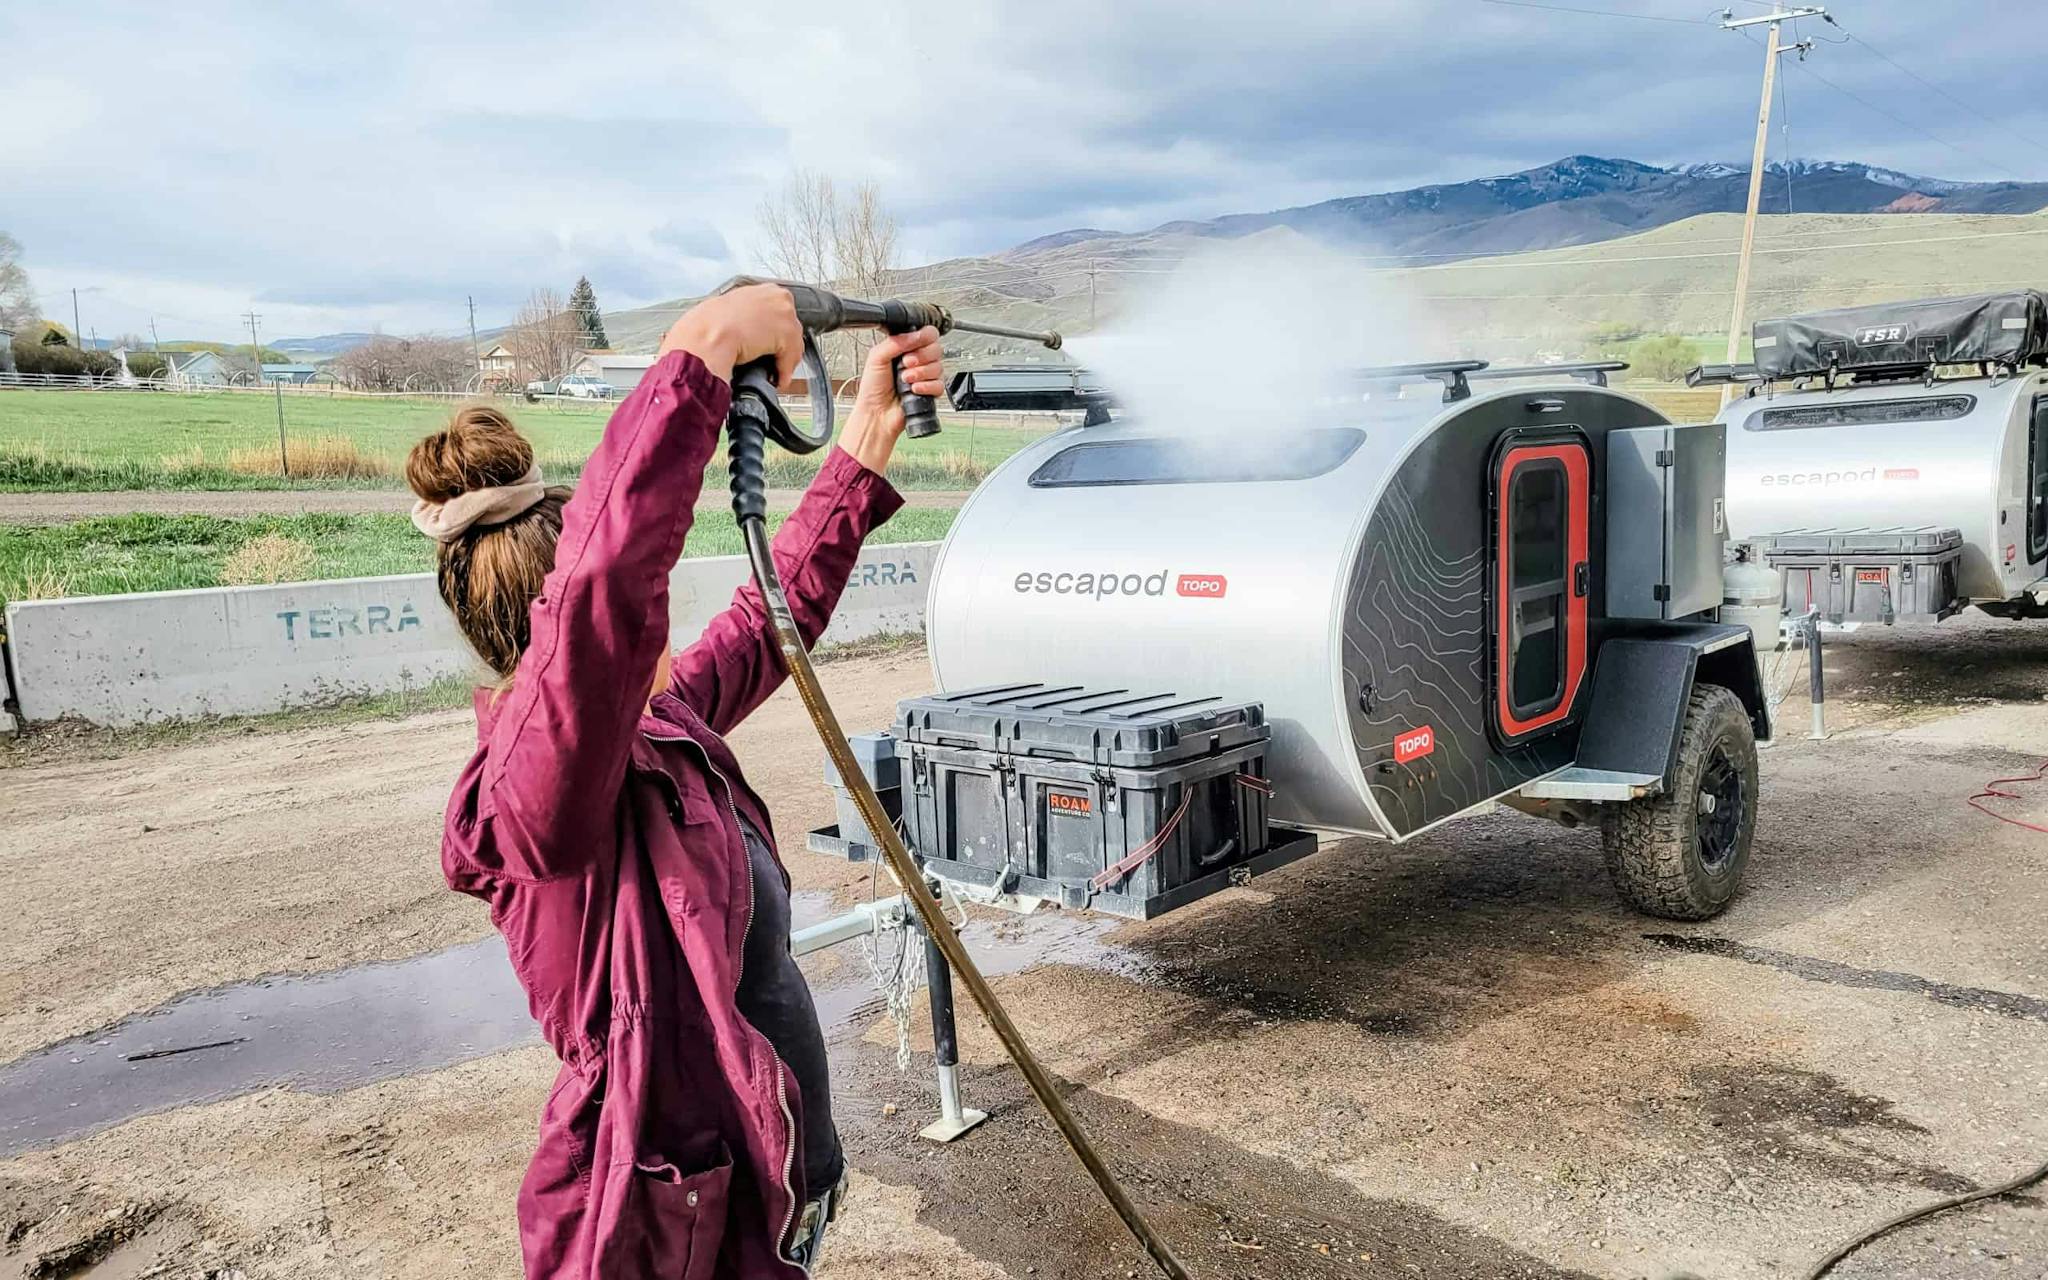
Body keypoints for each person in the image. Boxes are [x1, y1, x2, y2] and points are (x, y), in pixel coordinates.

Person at [409, 283, 943, 1278]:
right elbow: (603, 595)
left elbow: (766, 620)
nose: (664, 622)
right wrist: (699, 353)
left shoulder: (661, 726)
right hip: (668, 1227)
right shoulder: (531, 798)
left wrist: (865, 433)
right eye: (645, 616)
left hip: (765, 1187)